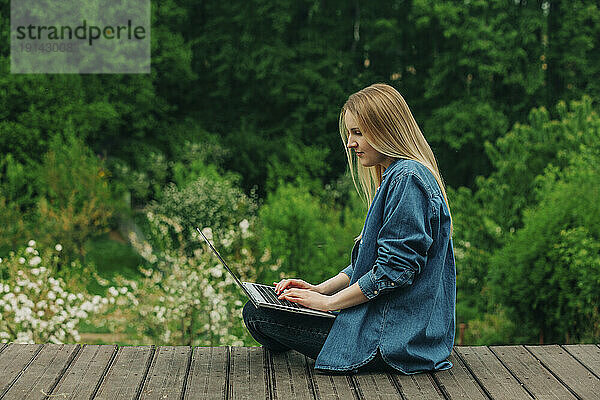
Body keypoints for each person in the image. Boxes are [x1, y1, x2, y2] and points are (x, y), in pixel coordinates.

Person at [242, 83, 456, 375]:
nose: (350, 143)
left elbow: (394, 272)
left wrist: (327, 304)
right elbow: (368, 265)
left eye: (358, 133)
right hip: (388, 332)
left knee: (258, 315)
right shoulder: (399, 176)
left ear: (386, 130)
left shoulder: (407, 179)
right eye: (349, 134)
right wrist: (319, 289)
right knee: (267, 310)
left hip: (390, 340)